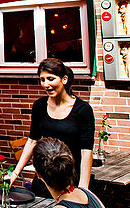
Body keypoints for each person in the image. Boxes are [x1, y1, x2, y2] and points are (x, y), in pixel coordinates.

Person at [9, 57, 95, 193]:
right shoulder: (39, 106)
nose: (45, 84)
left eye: (50, 79)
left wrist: (84, 189)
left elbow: (86, 152)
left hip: (71, 180)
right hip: (45, 179)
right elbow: (32, 140)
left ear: (64, 80)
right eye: (42, 80)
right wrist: (15, 173)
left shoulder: (83, 110)